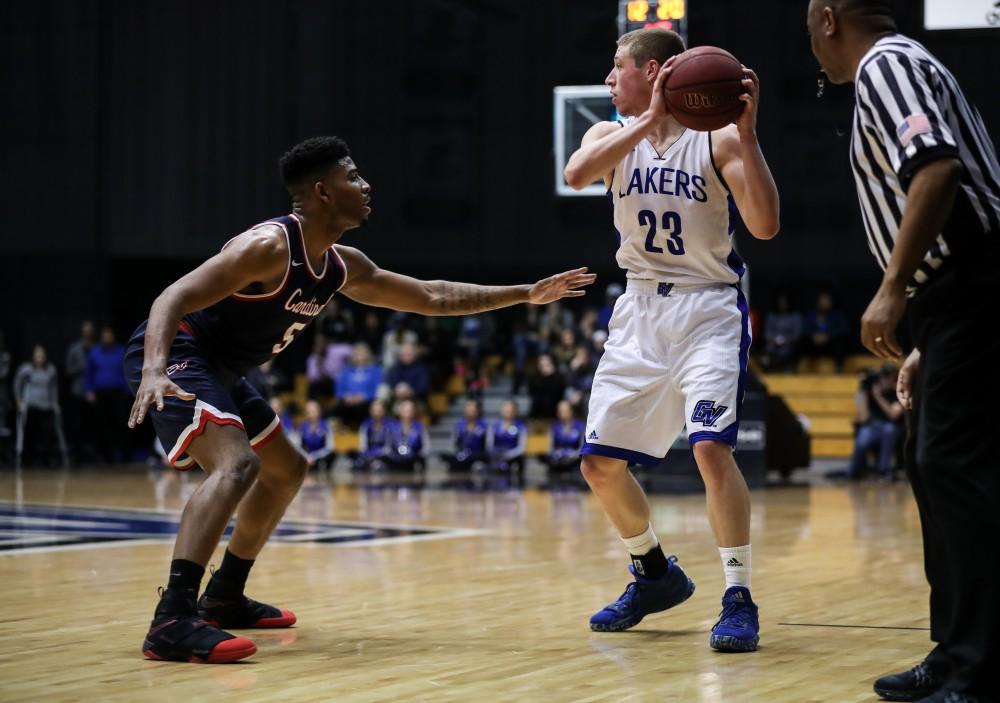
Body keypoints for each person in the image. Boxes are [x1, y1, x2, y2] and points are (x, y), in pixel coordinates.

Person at [123, 135, 595, 664]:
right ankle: (171, 619)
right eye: (354, 176)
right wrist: (153, 371)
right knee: (237, 466)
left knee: (287, 469)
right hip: (181, 354)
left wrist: (525, 293)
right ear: (322, 192)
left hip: (225, 369)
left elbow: (432, 296)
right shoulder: (269, 247)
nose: (366, 186)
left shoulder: (342, 265)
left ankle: (224, 596)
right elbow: (173, 296)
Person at [563, 27, 780, 651]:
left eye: (616, 67)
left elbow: (764, 227)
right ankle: (654, 572)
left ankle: (737, 595)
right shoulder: (608, 136)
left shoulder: (718, 144)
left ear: (652, 70)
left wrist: (750, 137)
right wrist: (652, 115)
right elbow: (577, 174)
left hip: (707, 309)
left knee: (711, 450)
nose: (608, 80)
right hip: (638, 310)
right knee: (598, 465)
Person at [807, 2, 1000, 700]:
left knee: (954, 464)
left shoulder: (887, 66)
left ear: (826, 17)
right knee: (936, 464)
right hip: (958, 295)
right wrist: (926, 324)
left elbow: (938, 170)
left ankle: (979, 663)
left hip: (972, 280)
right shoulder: (907, 65)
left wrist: (892, 290)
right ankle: (955, 654)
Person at [13, 345, 68, 467]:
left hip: (46, 406)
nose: (39, 359)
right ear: (33, 357)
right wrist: (18, 400)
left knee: (48, 433)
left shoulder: (50, 370)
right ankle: (28, 459)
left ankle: (48, 459)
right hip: (30, 405)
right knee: (30, 433)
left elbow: (54, 387)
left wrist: (55, 402)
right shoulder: (26, 369)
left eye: (42, 356)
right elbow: (17, 383)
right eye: (37, 356)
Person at [846, 364, 903, 481]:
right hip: (872, 425)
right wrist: (864, 392)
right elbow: (864, 417)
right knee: (863, 438)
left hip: (890, 426)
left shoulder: (899, 392)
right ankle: (854, 471)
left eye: (888, 377)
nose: (885, 380)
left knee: (889, 431)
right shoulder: (869, 391)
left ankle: (884, 471)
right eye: (883, 376)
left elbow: (893, 415)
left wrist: (878, 397)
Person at [86, 326, 130, 463]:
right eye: (105, 335)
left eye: (109, 335)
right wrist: (89, 390)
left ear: (113, 337)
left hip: (118, 394)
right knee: (103, 425)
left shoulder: (121, 351)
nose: (107, 338)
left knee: (121, 424)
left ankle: (123, 455)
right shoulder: (94, 352)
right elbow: (88, 374)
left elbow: (127, 371)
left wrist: (129, 391)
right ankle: (106, 456)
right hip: (101, 394)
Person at [801, 291, 849, 371]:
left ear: (831, 302)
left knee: (840, 343)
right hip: (814, 344)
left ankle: (839, 367)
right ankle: (801, 367)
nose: (824, 303)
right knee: (802, 342)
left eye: (826, 301)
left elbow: (844, 329)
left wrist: (828, 336)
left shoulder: (837, 316)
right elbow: (804, 328)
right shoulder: (811, 316)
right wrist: (813, 335)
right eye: (822, 301)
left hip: (830, 344)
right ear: (818, 302)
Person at [761, 292, 803, 372]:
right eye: (780, 302)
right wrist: (775, 340)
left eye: (784, 302)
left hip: (789, 346)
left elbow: (797, 334)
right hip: (773, 345)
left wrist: (785, 340)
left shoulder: (795, 316)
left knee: (794, 351)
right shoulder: (771, 316)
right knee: (767, 354)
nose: (782, 304)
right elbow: (767, 333)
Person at [487, 399, 527, 480]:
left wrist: (508, 455)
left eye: (510, 409)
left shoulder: (521, 426)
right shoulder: (494, 426)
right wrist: (497, 454)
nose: (507, 411)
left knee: (515, 466)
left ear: (515, 411)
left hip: (513, 458)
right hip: (496, 456)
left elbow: (522, 448)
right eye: (505, 409)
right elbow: (489, 445)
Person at [546, 399, 586, 479]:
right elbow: (550, 448)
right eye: (560, 411)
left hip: (575, 462)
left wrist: (571, 455)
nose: (562, 413)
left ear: (571, 411)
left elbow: (582, 448)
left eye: (565, 411)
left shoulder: (580, 426)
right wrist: (558, 454)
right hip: (558, 462)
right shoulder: (554, 426)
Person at [447, 398, 489, 473]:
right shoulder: (459, 425)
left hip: (479, 456)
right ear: (465, 411)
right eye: (468, 410)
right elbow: (453, 442)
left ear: (477, 411)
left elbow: (488, 444)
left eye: (473, 410)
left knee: (480, 467)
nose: (470, 413)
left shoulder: (484, 425)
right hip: (463, 455)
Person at [354, 399, 396, 472]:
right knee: (357, 464)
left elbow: (389, 446)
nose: (376, 413)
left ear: (384, 411)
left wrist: (376, 454)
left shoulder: (390, 425)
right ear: (370, 411)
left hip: (384, 456)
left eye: (379, 411)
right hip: (368, 456)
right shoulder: (365, 425)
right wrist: (368, 455)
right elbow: (362, 446)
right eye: (374, 410)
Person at [389, 399, 429, 473]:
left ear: (414, 412)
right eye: (406, 411)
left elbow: (426, 447)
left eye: (410, 411)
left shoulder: (420, 427)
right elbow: (388, 445)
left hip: (413, 460)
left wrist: (419, 455)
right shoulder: (393, 427)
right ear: (400, 412)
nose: (408, 413)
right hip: (396, 460)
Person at [296, 399, 335, 472]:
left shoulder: (326, 426)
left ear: (319, 412)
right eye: (308, 412)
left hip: (321, 458)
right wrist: (307, 457)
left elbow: (330, 447)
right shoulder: (302, 427)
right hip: (306, 458)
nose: (311, 414)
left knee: (332, 455)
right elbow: (298, 446)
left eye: (313, 411)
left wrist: (314, 457)